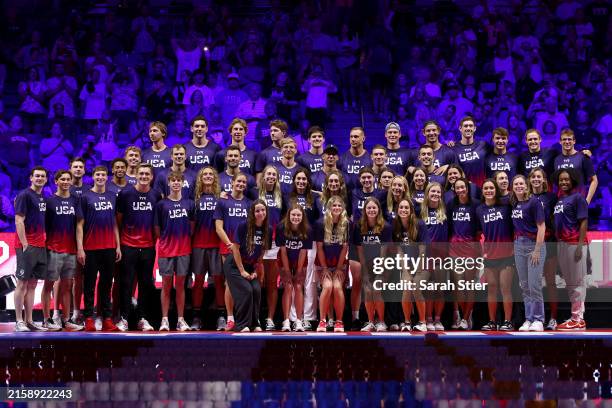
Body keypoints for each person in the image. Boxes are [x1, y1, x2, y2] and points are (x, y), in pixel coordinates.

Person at [115, 163, 161, 332]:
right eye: (141, 173)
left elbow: (157, 223)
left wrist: (152, 241)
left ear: (151, 176)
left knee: (145, 284)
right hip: (128, 245)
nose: (143, 176)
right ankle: (124, 319)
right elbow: (118, 220)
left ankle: (142, 318)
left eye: (147, 174)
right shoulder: (125, 194)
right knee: (126, 283)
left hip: (148, 247)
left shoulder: (157, 195)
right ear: (135, 175)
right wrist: (119, 244)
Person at [77, 166, 121, 332]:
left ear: (107, 177)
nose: (101, 177)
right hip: (90, 248)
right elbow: (79, 225)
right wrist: (80, 248)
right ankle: (88, 317)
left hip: (109, 247)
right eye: (98, 174)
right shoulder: (85, 197)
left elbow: (114, 223)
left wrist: (117, 246)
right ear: (93, 177)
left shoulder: (112, 196)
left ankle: (107, 319)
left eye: (103, 174)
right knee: (88, 284)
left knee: (106, 285)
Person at [154, 171, 195, 331]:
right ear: (169, 184)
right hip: (166, 250)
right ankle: (164, 319)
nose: (176, 183)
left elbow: (192, 227)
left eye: (179, 181)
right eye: (173, 181)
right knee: (166, 285)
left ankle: (180, 319)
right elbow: (157, 229)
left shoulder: (190, 204)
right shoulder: (161, 204)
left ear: (182, 184)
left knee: (180, 285)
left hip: (184, 249)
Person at [43, 170, 82, 331]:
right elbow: (43, 225)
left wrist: (79, 248)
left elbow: (79, 225)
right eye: (62, 179)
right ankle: (47, 319)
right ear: (56, 181)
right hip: (53, 248)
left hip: (71, 249)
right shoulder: (50, 201)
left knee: (67, 286)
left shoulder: (75, 200)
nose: (66, 181)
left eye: (68, 179)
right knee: (49, 285)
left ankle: (66, 320)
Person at [223, 200, 271, 332]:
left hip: (250, 266)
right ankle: (242, 324)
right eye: (257, 211)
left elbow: (261, 252)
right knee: (246, 290)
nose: (260, 213)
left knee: (256, 289)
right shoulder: (243, 226)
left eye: (263, 210)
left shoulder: (268, 229)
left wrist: (256, 269)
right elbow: (236, 249)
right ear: (252, 213)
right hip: (234, 265)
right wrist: (242, 271)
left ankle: (254, 323)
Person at [214, 173, 253, 331]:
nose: (241, 184)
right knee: (230, 282)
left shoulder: (249, 203)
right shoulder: (223, 202)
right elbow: (218, 227)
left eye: (244, 182)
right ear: (232, 182)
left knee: (245, 283)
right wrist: (230, 244)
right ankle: (230, 318)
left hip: (245, 250)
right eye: (239, 181)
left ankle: (243, 318)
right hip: (228, 248)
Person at [476, 179, 515, 331]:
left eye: (492, 188)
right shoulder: (479, 209)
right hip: (489, 256)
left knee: (505, 289)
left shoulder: (506, 206)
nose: (489, 190)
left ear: (496, 190)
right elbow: (479, 232)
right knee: (491, 289)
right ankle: (492, 321)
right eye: (486, 188)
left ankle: (507, 321)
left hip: (506, 255)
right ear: (482, 191)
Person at [13, 166, 48, 332]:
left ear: (46, 180)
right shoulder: (24, 195)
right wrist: (25, 243)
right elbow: (19, 220)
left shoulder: (42, 197)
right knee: (22, 283)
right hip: (27, 246)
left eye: (42, 176)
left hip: (40, 245)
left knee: (33, 284)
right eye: (37, 176)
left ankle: (29, 320)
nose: (40, 178)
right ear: (31, 178)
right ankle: (19, 321)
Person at [553, 168, 589, 331]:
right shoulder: (560, 199)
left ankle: (578, 319)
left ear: (572, 181)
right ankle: (575, 316)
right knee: (570, 283)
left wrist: (580, 246)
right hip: (562, 244)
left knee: (577, 282)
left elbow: (583, 222)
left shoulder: (578, 198)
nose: (564, 182)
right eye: (561, 180)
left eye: (566, 179)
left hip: (575, 244)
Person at [510, 174, 546, 332]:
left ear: (526, 186)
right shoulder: (514, 203)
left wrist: (537, 250)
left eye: (521, 184)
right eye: (515, 184)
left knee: (534, 285)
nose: (518, 186)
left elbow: (541, 227)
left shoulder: (534, 202)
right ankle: (528, 318)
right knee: (524, 285)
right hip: (518, 245)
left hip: (533, 245)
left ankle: (539, 319)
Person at [446, 178, 481, 330]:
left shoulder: (476, 204)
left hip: (471, 249)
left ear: (467, 187)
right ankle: (463, 314)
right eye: (457, 187)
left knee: (469, 285)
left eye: (462, 187)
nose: (460, 190)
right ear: (454, 189)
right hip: (454, 249)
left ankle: (467, 317)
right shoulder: (450, 204)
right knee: (458, 286)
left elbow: (480, 229)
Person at [191, 166, 223, 330]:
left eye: (211, 174)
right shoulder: (195, 199)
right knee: (198, 282)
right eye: (205, 174)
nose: (208, 176)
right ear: (200, 178)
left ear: (215, 178)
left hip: (216, 246)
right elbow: (191, 226)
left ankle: (221, 317)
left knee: (218, 281)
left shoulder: (221, 198)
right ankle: (196, 318)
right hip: (198, 245)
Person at [528, 168, 559, 330]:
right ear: (530, 180)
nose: (536, 179)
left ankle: (553, 318)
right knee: (532, 284)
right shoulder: (525, 197)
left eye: (539, 176)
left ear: (544, 179)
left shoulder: (552, 198)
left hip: (549, 243)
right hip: (529, 245)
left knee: (550, 282)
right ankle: (534, 318)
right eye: (533, 177)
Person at [355, 197, 392, 332]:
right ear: (365, 210)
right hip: (368, 264)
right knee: (367, 290)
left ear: (378, 210)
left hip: (384, 263)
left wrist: (380, 273)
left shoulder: (385, 226)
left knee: (376, 290)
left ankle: (381, 321)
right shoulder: (359, 226)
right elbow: (360, 252)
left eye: (374, 208)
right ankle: (371, 321)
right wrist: (364, 273)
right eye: (369, 208)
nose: (371, 210)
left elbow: (384, 252)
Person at [393, 198, 430, 332]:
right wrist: (406, 270)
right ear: (397, 211)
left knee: (416, 287)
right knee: (407, 288)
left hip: (422, 263)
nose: (403, 210)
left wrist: (417, 270)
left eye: (406, 208)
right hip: (407, 265)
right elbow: (399, 251)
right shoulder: (396, 225)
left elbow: (423, 250)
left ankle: (422, 322)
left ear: (411, 210)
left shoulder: (419, 224)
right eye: (401, 208)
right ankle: (407, 322)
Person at [315, 196, 350, 332]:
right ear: (329, 208)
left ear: (343, 209)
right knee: (328, 286)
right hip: (323, 262)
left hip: (339, 263)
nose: (336, 208)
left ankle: (339, 322)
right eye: (334, 206)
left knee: (337, 287)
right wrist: (324, 268)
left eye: (339, 206)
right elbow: (319, 248)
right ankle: (322, 321)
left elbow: (345, 248)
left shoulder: (346, 223)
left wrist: (340, 268)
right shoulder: (320, 223)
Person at [276, 203, 311, 331]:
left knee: (298, 286)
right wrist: (286, 270)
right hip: (285, 258)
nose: (296, 217)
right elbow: (283, 251)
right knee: (288, 286)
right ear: (288, 215)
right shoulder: (281, 227)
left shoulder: (307, 229)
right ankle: (286, 321)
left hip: (300, 259)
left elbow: (303, 251)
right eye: (293, 214)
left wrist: (299, 270)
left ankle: (298, 320)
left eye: (298, 215)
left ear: (302, 216)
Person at [257, 165, 283, 331]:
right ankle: (255, 318)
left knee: (272, 283)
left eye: (274, 174)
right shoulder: (254, 193)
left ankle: (270, 319)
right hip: (257, 241)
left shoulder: (282, 195)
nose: (271, 176)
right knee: (257, 283)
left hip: (274, 242)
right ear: (263, 176)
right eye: (268, 174)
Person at [420, 182, 449, 331]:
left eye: (438, 192)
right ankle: (428, 319)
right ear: (427, 193)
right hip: (425, 255)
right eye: (433, 192)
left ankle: (438, 319)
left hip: (441, 255)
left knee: (439, 288)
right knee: (428, 289)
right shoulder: (420, 210)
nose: (436, 194)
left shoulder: (445, 210)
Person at [553, 129, 598, 204]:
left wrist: (587, 201)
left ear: (574, 141)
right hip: (561, 204)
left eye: (569, 139)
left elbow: (595, 180)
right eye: (564, 139)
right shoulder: (557, 160)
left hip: (578, 203)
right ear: (560, 142)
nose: (567, 142)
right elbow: (556, 184)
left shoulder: (583, 157)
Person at [452, 116, 489, 187]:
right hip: (463, 190)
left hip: (481, 190)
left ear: (474, 128)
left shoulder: (483, 145)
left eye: (470, 126)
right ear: (460, 128)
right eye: (465, 126)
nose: (468, 128)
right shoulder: (453, 148)